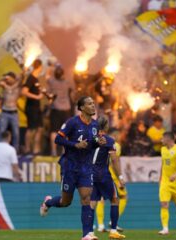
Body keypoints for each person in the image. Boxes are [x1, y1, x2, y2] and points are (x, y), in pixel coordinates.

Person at [39, 96, 106, 240]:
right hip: (70, 166)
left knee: (86, 198)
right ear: (81, 108)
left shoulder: (95, 125)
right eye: (89, 104)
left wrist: (98, 143)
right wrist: (75, 145)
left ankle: (87, 234)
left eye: (93, 103)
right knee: (65, 202)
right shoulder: (72, 122)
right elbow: (58, 139)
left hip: (86, 167)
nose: (93, 106)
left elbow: (91, 143)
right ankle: (48, 202)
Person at [87, 116, 125, 239]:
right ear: (106, 126)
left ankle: (90, 233)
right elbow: (114, 160)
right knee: (114, 199)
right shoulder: (109, 140)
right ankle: (113, 230)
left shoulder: (90, 138)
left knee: (92, 203)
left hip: (89, 174)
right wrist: (120, 176)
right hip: (103, 174)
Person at [96, 130, 128, 233]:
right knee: (122, 197)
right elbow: (115, 161)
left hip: (100, 173)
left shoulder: (99, 142)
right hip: (112, 175)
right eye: (119, 134)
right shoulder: (116, 145)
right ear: (115, 135)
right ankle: (113, 222)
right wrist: (120, 177)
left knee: (100, 199)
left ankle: (100, 225)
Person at [158, 132, 176, 236]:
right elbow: (163, 164)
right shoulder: (163, 149)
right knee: (164, 204)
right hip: (165, 182)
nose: (161, 141)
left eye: (162, 139)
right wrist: (160, 177)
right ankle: (165, 229)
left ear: (168, 139)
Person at [0, 71, 21, 151]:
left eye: (9, 78)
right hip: (5, 112)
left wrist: (21, 75)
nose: (8, 80)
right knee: (1, 131)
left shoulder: (17, 86)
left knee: (16, 133)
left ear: (13, 79)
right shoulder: (4, 85)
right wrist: (3, 78)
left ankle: (16, 151)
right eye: (7, 79)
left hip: (14, 113)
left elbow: (21, 80)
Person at [21, 59, 44, 154]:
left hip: (37, 107)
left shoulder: (36, 78)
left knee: (40, 128)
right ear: (39, 67)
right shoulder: (30, 78)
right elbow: (24, 91)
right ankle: (27, 148)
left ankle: (36, 149)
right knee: (31, 128)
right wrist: (37, 97)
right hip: (31, 107)